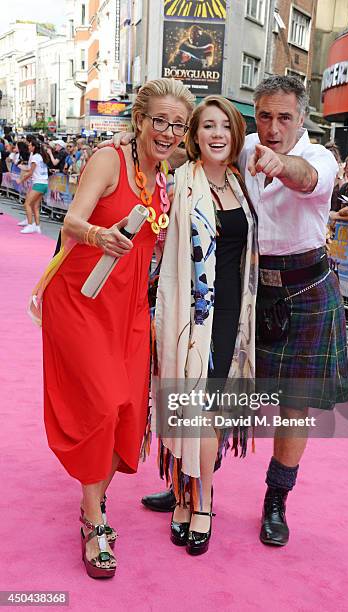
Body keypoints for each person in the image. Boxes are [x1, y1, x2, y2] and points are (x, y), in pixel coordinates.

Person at [143, 75, 348, 548]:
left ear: (303, 117)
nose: (272, 127)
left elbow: (304, 176)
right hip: (248, 287)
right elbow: (190, 156)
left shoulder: (318, 157)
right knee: (214, 388)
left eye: (284, 117)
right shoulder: (240, 142)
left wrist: (280, 163)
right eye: (264, 116)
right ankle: (191, 485)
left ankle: (276, 500)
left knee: (294, 406)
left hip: (305, 288)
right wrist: (137, 143)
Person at [33, 78, 194, 578]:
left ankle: (93, 503)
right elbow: (71, 222)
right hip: (82, 299)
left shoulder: (164, 177)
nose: (168, 132)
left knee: (126, 409)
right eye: (160, 120)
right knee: (101, 404)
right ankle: (95, 519)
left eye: (178, 125)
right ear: (141, 120)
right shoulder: (110, 159)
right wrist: (100, 234)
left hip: (128, 309)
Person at [155, 96, 257, 556]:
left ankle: (202, 498)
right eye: (208, 126)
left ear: (236, 135)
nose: (217, 134)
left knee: (210, 412)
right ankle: (186, 495)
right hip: (191, 315)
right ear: (194, 136)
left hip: (234, 316)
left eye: (225, 127)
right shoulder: (180, 182)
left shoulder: (243, 182)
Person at [19, 139, 49, 234]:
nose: (28, 147)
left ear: (34, 147)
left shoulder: (35, 157)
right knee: (35, 206)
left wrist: (21, 180)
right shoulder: (41, 156)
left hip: (39, 183)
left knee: (27, 204)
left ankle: (30, 224)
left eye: (30, 145)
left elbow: (30, 172)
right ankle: (37, 225)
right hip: (44, 183)